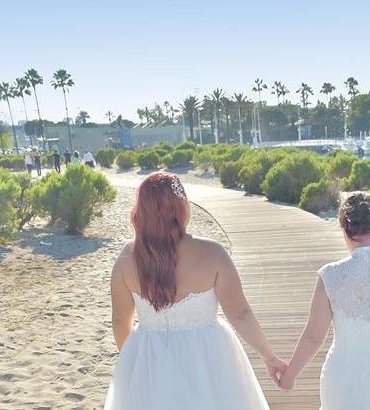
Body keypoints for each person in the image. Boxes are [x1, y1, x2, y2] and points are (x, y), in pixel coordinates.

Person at [105, 173, 283, 409]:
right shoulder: (212, 253)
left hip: (151, 354)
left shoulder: (127, 259)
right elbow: (240, 313)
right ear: (182, 207)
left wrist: (134, 361)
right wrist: (269, 357)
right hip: (209, 354)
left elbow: (119, 320)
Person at [278, 191, 370, 409]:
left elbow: (313, 336)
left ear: (343, 226)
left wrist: (290, 374)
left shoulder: (330, 275)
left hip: (343, 377)